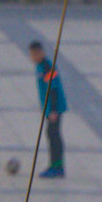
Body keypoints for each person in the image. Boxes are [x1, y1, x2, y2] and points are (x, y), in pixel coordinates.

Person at [28, 39, 67, 178]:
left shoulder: (47, 67)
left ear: (42, 53)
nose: (34, 57)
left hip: (54, 108)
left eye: (36, 54)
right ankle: (54, 165)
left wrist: (53, 111)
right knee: (51, 134)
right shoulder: (40, 66)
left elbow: (54, 89)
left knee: (54, 135)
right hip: (49, 108)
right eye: (32, 55)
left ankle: (57, 167)